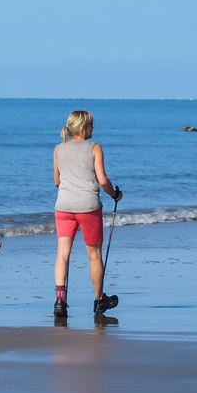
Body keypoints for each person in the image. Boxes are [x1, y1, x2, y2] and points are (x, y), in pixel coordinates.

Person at [53, 109, 122, 323]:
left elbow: (57, 181)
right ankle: (99, 299)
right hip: (88, 207)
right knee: (94, 256)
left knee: (63, 254)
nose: (94, 129)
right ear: (83, 128)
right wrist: (115, 194)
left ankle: (60, 301)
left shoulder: (58, 149)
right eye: (91, 125)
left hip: (63, 207)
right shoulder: (94, 148)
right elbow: (102, 181)